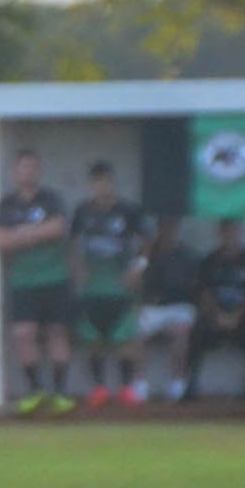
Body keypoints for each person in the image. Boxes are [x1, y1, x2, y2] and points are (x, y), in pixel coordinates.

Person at [0, 149, 73, 410]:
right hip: (22, 281)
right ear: (15, 173)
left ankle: (60, 392)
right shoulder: (7, 204)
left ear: (38, 171)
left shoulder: (50, 199)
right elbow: (1, 241)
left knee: (57, 332)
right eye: (22, 167)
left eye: (32, 167)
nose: (27, 172)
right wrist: (38, 233)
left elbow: (59, 228)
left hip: (54, 278)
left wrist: (24, 234)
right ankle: (35, 389)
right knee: (23, 333)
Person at [68, 161, 149, 407]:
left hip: (120, 286)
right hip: (93, 287)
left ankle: (125, 388)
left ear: (113, 182)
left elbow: (148, 239)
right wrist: (77, 268)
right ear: (92, 184)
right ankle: (99, 388)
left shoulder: (128, 210)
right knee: (93, 339)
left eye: (107, 181)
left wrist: (139, 267)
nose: (103, 186)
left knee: (124, 339)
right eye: (98, 181)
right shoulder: (83, 211)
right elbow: (72, 242)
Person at [190, 218, 245, 397]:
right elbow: (204, 293)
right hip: (216, 316)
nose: (230, 236)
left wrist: (237, 315)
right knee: (196, 329)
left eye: (233, 231)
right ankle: (191, 383)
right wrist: (218, 315)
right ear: (220, 234)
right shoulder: (209, 260)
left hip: (243, 316)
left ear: (239, 233)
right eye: (226, 232)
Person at [134, 212, 202, 403]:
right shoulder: (148, 253)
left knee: (181, 332)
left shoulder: (187, 255)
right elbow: (135, 282)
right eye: (164, 227)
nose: (168, 231)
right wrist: (145, 254)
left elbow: (193, 288)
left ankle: (177, 382)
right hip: (153, 309)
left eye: (172, 227)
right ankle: (140, 384)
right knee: (136, 329)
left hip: (179, 307)